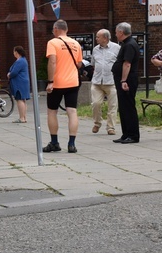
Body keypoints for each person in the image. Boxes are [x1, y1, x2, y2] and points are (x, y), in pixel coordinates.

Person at [44, 19, 83, 153]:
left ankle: (54, 142)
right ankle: (72, 144)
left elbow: (52, 62)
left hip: (57, 83)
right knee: (72, 111)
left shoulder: (52, 42)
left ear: (55, 29)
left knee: (52, 111)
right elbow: (79, 64)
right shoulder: (76, 44)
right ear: (66, 29)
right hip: (73, 82)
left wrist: (50, 81)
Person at [112, 22, 140, 143]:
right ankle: (125, 133)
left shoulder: (129, 45)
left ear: (121, 32)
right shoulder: (126, 43)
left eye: (116, 32)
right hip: (123, 79)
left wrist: (123, 80)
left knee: (128, 107)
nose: (115, 34)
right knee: (123, 107)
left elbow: (127, 64)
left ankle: (133, 135)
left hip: (128, 80)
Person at [90, 29, 120, 135]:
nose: (96, 38)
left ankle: (111, 127)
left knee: (112, 105)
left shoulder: (116, 48)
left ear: (105, 38)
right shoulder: (95, 49)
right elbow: (93, 63)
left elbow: (120, 63)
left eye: (98, 37)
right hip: (97, 81)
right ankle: (97, 123)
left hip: (111, 81)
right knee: (96, 103)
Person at [7, 46, 31, 123]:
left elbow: (14, 72)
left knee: (19, 99)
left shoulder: (19, 61)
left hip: (19, 83)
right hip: (23, 82)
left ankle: (21, 118)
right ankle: (24, 117)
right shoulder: (23, 60)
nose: (13, 53)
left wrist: (9, 75)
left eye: (14, 52)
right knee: (23, 100)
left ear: (16, 52)